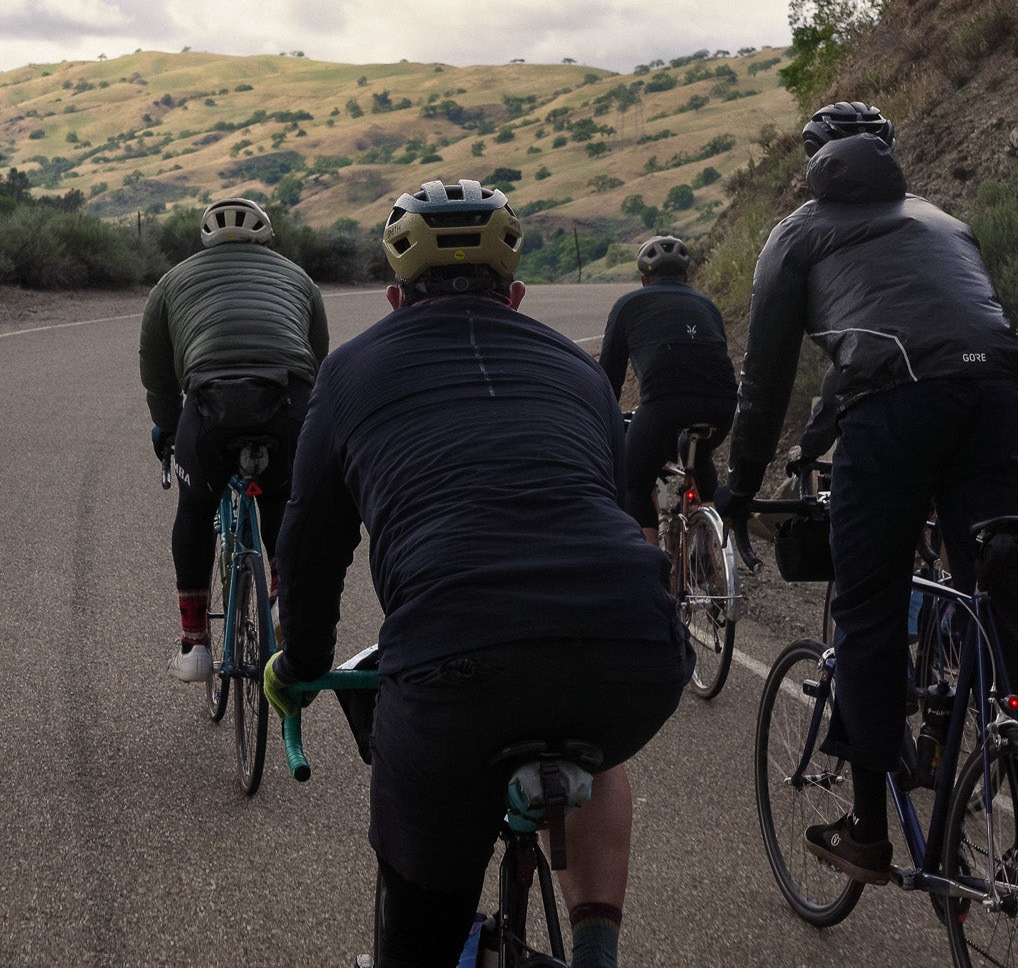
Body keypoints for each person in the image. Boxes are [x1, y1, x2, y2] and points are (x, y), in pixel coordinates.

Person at [264, 179, 689, 968]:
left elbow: (310, 543)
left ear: (394, 298)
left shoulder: (351, 370)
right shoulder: (576, 367)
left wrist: (303, 663)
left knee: (420, 915)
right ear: (518, 294)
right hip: (636, 648)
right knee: (594, 740)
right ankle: (598, 951)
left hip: (454, 661)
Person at [712, 101, 1018, 884]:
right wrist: (821, 435)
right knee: (1003, 599)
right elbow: (928, 337)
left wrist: (741, 485)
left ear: (814, 167)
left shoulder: (798, 233)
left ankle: (866, 826)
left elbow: (766, 379)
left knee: (866, 603)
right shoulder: (944, 222)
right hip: (999, 399)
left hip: (896, 414)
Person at [138, 196, 329, 682]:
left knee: (194, 511)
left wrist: (166, 435)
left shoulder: (170, 283)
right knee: (285, 498)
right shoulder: (299, 278)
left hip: (208, 407)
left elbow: (159, 382)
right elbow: (318, 364)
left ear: (205, 241)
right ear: (266, 238)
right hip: (289, 400)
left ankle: (195, 646)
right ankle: (286, 599)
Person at [600, 234, 747, 563]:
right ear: (687, 277)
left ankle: (649, 575)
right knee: (695, 452)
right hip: (723, 406)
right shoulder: (707, 304)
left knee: (634, 481)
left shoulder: (628, 304)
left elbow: (608, 377)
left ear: (644, 278)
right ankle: (706, 546)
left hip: (664, 405)